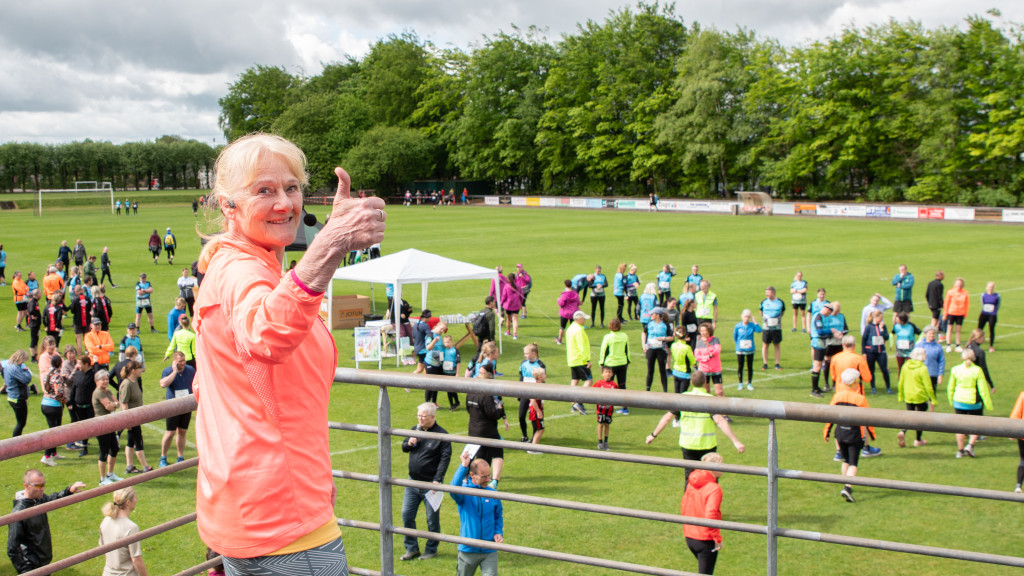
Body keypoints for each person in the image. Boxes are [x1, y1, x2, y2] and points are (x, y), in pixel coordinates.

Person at [192, 134, 384, 571]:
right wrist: (330, 244)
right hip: (281, 520)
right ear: (228, 206)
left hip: (249, 506)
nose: (285, 203)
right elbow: (268, 333)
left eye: (291, 187)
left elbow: (216, 377)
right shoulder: (241, 269)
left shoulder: (243, 263)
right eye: (264, 190)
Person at [646, 372, 745, 487]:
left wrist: (653, 435)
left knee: (690, 479)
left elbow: (667, 418)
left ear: (691, 382)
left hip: (688, 445)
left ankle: (689, 503)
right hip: (707, 445)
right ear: (705, 382)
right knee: (710, 480)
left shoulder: (683, 397)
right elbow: (720, 421)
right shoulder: (710, 399)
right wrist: (735, 441)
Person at [399, 402, 452, 562]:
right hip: (412, 482)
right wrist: (409, 443)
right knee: (406, 514)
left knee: (431, 519)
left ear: (433, 417)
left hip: (431, 485)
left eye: (423, 417)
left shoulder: (442, 435)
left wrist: (437, 480)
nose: (420, 419)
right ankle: (411, 548)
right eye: (419, 416)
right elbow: (404, 447)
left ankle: (431, 549)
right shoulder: (415, 430)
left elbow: (445, 458)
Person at [7, 469, 86, 574]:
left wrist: (69, 490)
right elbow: (12, 548)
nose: (42, 489)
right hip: (32, 566)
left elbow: (51, 499)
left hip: (43, 563)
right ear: (27, 486)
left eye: (43, 485)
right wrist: (25, 571)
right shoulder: (18, 513)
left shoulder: (38, 500)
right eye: (39, 486)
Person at [823, 368, 876, 503]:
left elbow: (830, 415)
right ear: (856, 383)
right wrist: (872, 434)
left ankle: (845, 482)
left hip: (840, 433)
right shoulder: (860, 399)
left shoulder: (837, 396)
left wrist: (827, 432)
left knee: (845, 460)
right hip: (854, 434)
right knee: (853, 463)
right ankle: (848, 488)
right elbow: (868, 419)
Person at [450, 451, 503, 576]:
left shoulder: (493, 494)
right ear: (472, 475)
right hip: (468, 550)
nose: (488, 479)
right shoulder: (464, 494)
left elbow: (498, 516)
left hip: (489, 550)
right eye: (484, 476)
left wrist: (498, 532)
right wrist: (463, 466)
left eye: (489, 475)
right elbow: (452, 488)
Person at [681, 452, 726, 575]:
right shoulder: (714, 488)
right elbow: (711, 515)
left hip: (690, 536)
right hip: (705, 539)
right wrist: (717, 538)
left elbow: (684, 505)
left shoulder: (692, 482)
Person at [466, 366, 507, 489]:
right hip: (487, 430)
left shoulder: (471, 392)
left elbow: (468, 409)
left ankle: (471, 479)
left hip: (473, 428)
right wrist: (499, 410)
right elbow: (492, 414)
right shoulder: (486, 394)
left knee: (480, 456)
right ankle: (493, 481)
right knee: (496, 453)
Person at [948, 348, 992, 458]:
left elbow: (950, 387)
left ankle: (960, 450)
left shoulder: (955, 369)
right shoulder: (977, 370)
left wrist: (951, 400)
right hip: (973, 401)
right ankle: (970, 445)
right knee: (976, 425)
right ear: (974, 358)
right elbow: (983, 389)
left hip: (958, 401)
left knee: (960, 427)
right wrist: (988, 403)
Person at [100, 487, 150, 576]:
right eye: (135, 497)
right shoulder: (131, 528)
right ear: (128, 502)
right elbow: (136, 560)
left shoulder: (106, 521)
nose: (137, 500)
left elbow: (102, 546)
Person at [159, 351, 195, 468]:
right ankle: (163, 457)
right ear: (174, 361)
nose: (183, 363)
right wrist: (175, 371)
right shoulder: (168, 371)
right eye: (180, 361)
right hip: (173, 407)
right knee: (170, 432)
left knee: (182, 431)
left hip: (186, 406)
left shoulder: (190, 370)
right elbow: (163, 384)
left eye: (184, 360)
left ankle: (180, 456)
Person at [896, 347, 936, 448]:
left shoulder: (906, 366)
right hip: (920, 396)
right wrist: (933, 399)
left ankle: (903, 431)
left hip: (908, 395)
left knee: (910, 416)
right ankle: (918, 439)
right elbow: (928, 386)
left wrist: (900, 396)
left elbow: (901, 382)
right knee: (919, 419)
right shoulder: (922, 368)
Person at [118, 360, 152, 475]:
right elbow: (124, 403)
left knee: (130, 441)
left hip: (136, 417)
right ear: (133, 371)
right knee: (138, 441)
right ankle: (145, 466)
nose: (141, 370)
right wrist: (127, 421)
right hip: (131, 419)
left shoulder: (134, 381)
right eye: (139, 368)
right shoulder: (127, 384)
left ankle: (129, 466)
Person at [92, 370, 123, 485]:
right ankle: (102, 478)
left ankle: (110, 473)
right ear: (97, 381)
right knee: (104, 451)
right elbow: (109, 406)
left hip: (110, 424)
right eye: (102, 379)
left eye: (106, 379)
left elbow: (116, 403)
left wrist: (113, 404)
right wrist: (113, 404)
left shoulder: (108, 391)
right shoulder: (98, 393)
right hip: (101, 426)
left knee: (114, 448)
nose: (105, 381)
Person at [39, 355, 66, 466]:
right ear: (60, 363)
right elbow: (59, 393)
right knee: (53, 433)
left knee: (55, 429)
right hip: (53, 406)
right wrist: (64, 400)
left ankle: (54, 453)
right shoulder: (57, 375)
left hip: (45, 403)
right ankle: (46, 456)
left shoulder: (48, 373)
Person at [516, 344, 546, 442]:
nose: (525, 355)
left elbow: (542, 381)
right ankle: (524, 436)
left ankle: (534, 439)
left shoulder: (540, 365)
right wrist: (519, 393)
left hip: (535, 395)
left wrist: (542, 396)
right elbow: (521, 378)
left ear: (533, 353)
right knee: (521, 416)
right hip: (525, 393)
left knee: (535, 418)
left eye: (526, 353)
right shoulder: (523, 363)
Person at [566, 310, 593, 414]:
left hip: (572, 359)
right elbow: (582, 346)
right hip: (580, 359)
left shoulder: (570, 328)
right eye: (584, 318)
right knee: (589, 380)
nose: (585, 320)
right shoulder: (579, 330)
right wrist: (587, 360)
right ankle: (579, 401)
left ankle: (573, 404)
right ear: (579, 319)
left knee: (575, 380)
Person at [598, 318, 630, 401]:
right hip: (622, 363)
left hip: (610, 364)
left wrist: (601, 363)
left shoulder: (608, 337)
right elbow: (627, 350)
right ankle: (624, 407)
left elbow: (603, 351)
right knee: (622, 385)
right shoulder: (624, 336)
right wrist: (627, 362)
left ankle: (607, 404)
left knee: (608, 385)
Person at [861, 311, 891, 394]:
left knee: (884, 370)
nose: (881, 320)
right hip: (871, 351)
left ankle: (888, 387)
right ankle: (873, 387)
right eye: (880, 318)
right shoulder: (869, 327)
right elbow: (864, 339)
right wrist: (864, 352)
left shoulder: (883, 326)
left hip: (881, 351)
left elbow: (886, 337)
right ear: (875, 317)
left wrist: (881, 330)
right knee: (871, 370)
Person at [4, 350, 32, 437]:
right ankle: (15, 443)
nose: (24, 363)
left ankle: (17, 442)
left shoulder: (8, 365)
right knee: (21, 423)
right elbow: (27, 379)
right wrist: (26, 370)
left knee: (21, 422)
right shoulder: (15, 368)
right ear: (20, 358)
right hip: (17, 398)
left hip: (14, 397)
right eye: (24, 360)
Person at [643, 308, 672, 393]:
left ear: (658, 315)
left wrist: (663, 338)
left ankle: (665, 391)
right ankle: (647, 390)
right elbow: (644, 333)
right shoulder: (649, 323)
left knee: (662, 370)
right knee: (650, 370)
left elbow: (671, 337)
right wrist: (644, 345)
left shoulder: (665, 325)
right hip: (650, 349)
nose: (651, 315)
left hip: (661, 350)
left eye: (653, 314)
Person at [733, 310, 761, 391]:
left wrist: (755, 321)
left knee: (750, 366)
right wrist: (738, 344)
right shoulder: (738, 326)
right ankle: (740, 383)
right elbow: (735, 336)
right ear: (742, 317)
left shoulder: (752, 325)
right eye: (745, 317)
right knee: (740, 366)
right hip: (740, 349)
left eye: (748, 317)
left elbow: (759, 330)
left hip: (750, 349)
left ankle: (749, 383)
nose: (747, 318)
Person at [694, 324, 723, 398]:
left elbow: (716, 352)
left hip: (715, 369)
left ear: (709, 331)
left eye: (704, 330)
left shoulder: (715, 340)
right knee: (706, 392)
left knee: (719, 392)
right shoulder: (699, 342)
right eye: (701, 331)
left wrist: (707, 344)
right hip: (704, 370)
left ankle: (723, 408)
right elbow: (697, 356)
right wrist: (707, 357)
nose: (703, 333)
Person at [914, 325, 945, 395]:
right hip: (920, 374)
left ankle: (931, 406)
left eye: (933, 333)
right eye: (930, 333)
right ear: (925, 334)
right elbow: (914, 359)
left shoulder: (938, 347)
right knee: (920, 393)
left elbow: (941, 361)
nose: (932, 335)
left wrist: (940, 375)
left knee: (931, 394)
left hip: (932, 374)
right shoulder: (919, 345)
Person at [759, 287, 785, 370]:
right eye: (766, 292)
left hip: (777, 328)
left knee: (776, 344)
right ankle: (765, 363)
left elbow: (782, 312)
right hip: (766, 328)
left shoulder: (780, 302)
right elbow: (761, 312)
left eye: (768, 292)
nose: (766, 294)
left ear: (773, 293)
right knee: (765, 344)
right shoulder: (763, 302)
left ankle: (777, 363)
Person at [593, 366, 618, 450]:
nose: (608, 374)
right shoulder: (599, 383)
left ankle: (606, 442)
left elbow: (618, 395)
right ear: (602, 374)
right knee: (600, 424)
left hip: (609, 409)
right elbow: (591, 392)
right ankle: (600, 441)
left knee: (607, 424)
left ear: (612, 374)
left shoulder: (614, 385)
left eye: (609, 372)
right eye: (606, 372)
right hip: (600, 408)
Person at [943, 277, 970, 352]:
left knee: (958, 329)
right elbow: (946, 303)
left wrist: (965, 313)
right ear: (955, 284)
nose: (959, 285)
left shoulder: (965, 292)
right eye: (957, 283)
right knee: (950, 328)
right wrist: (945, 314)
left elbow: (966, 303)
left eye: (960, 284)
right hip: (951, 312)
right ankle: (948, 344)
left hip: (960, 313)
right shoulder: (950, 292)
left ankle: (958, 345)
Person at [965, 329, 994, 393]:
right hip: (976, 379)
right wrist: (991, 384)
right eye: (984, 337)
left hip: (965, 377)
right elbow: (984, 369)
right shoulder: (980, 352)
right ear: (979, 338)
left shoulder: (967, 347)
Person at [525, 367, 546, 451]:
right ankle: (533, 448)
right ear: (539, 377)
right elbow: (533, 400)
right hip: (535, 411)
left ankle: (534, 447)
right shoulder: (537, 386)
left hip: (536, 410)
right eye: (544, 374)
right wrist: (538, 412)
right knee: (540, 429)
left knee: (539, 429)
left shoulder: (539, 385)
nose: (545, 375)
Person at [440, 334, 462, 410]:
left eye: (448, 342)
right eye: (445, 342)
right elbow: (441, 360)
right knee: (448, 389)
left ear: (451, 342)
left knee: (452, 389)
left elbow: (458, 362)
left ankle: (455, 402)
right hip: (445, 372)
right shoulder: (443, 350)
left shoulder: (455, 350)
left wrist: (457, 373)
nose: (447, 344)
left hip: (452, 372)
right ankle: (453, 403)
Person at [977, 282, 1000, 351]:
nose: (991, 288)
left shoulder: (997, 296)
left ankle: (991, 346)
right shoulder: (983, 295)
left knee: (991, 329)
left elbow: (998, 305)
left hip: (992, 315)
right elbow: (982, 303)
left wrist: (993, 311)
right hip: (984, 313)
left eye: (992, 287)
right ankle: (977, 344)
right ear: (987, 287)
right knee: (979, 329)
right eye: (989, 287)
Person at [500, 273, 522, 339]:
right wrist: (520, 303)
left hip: (508, 305)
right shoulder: (518, 286)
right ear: (515, 278)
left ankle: (508, 332)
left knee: (508, 319)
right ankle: (515, 334)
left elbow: (504, 296)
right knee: (515, 320)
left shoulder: (507, 286)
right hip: (516, 305)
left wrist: (501, 303)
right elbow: (521, 296)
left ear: (508, 279)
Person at [1010, 391, 1024, 493]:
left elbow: (1016, 413)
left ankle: (1018, 485)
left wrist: (1012, 431)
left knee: (1023, 460)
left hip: (1022, 434)